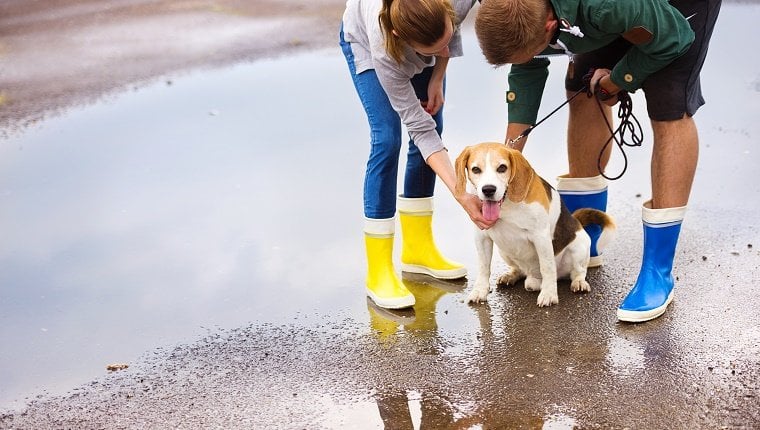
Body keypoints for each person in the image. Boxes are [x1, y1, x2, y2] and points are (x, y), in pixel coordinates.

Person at [474, 0, 721, 322]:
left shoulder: (605, 7)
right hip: (601, 11)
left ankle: (658, 271)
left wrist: (619, 80)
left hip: (675, 16)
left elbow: (674, 38)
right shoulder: (521, 9)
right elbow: (527, 64)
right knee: (584, 83)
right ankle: (582, 240)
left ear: (550, 25)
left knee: (668, 103)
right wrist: (509, 157)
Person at [340, 0, 495, 310]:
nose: (445, 51)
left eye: (447, 39)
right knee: (387, 139)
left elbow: (445, 45)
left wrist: (437, 76)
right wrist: (461, 193)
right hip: (365, 42)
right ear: (401, 35)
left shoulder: (451, 4)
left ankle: (417, 249)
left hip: (425, 34)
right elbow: (420, 131)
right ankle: (379, 270)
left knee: (434, 121)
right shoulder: (386, 48)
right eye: (433, 50)